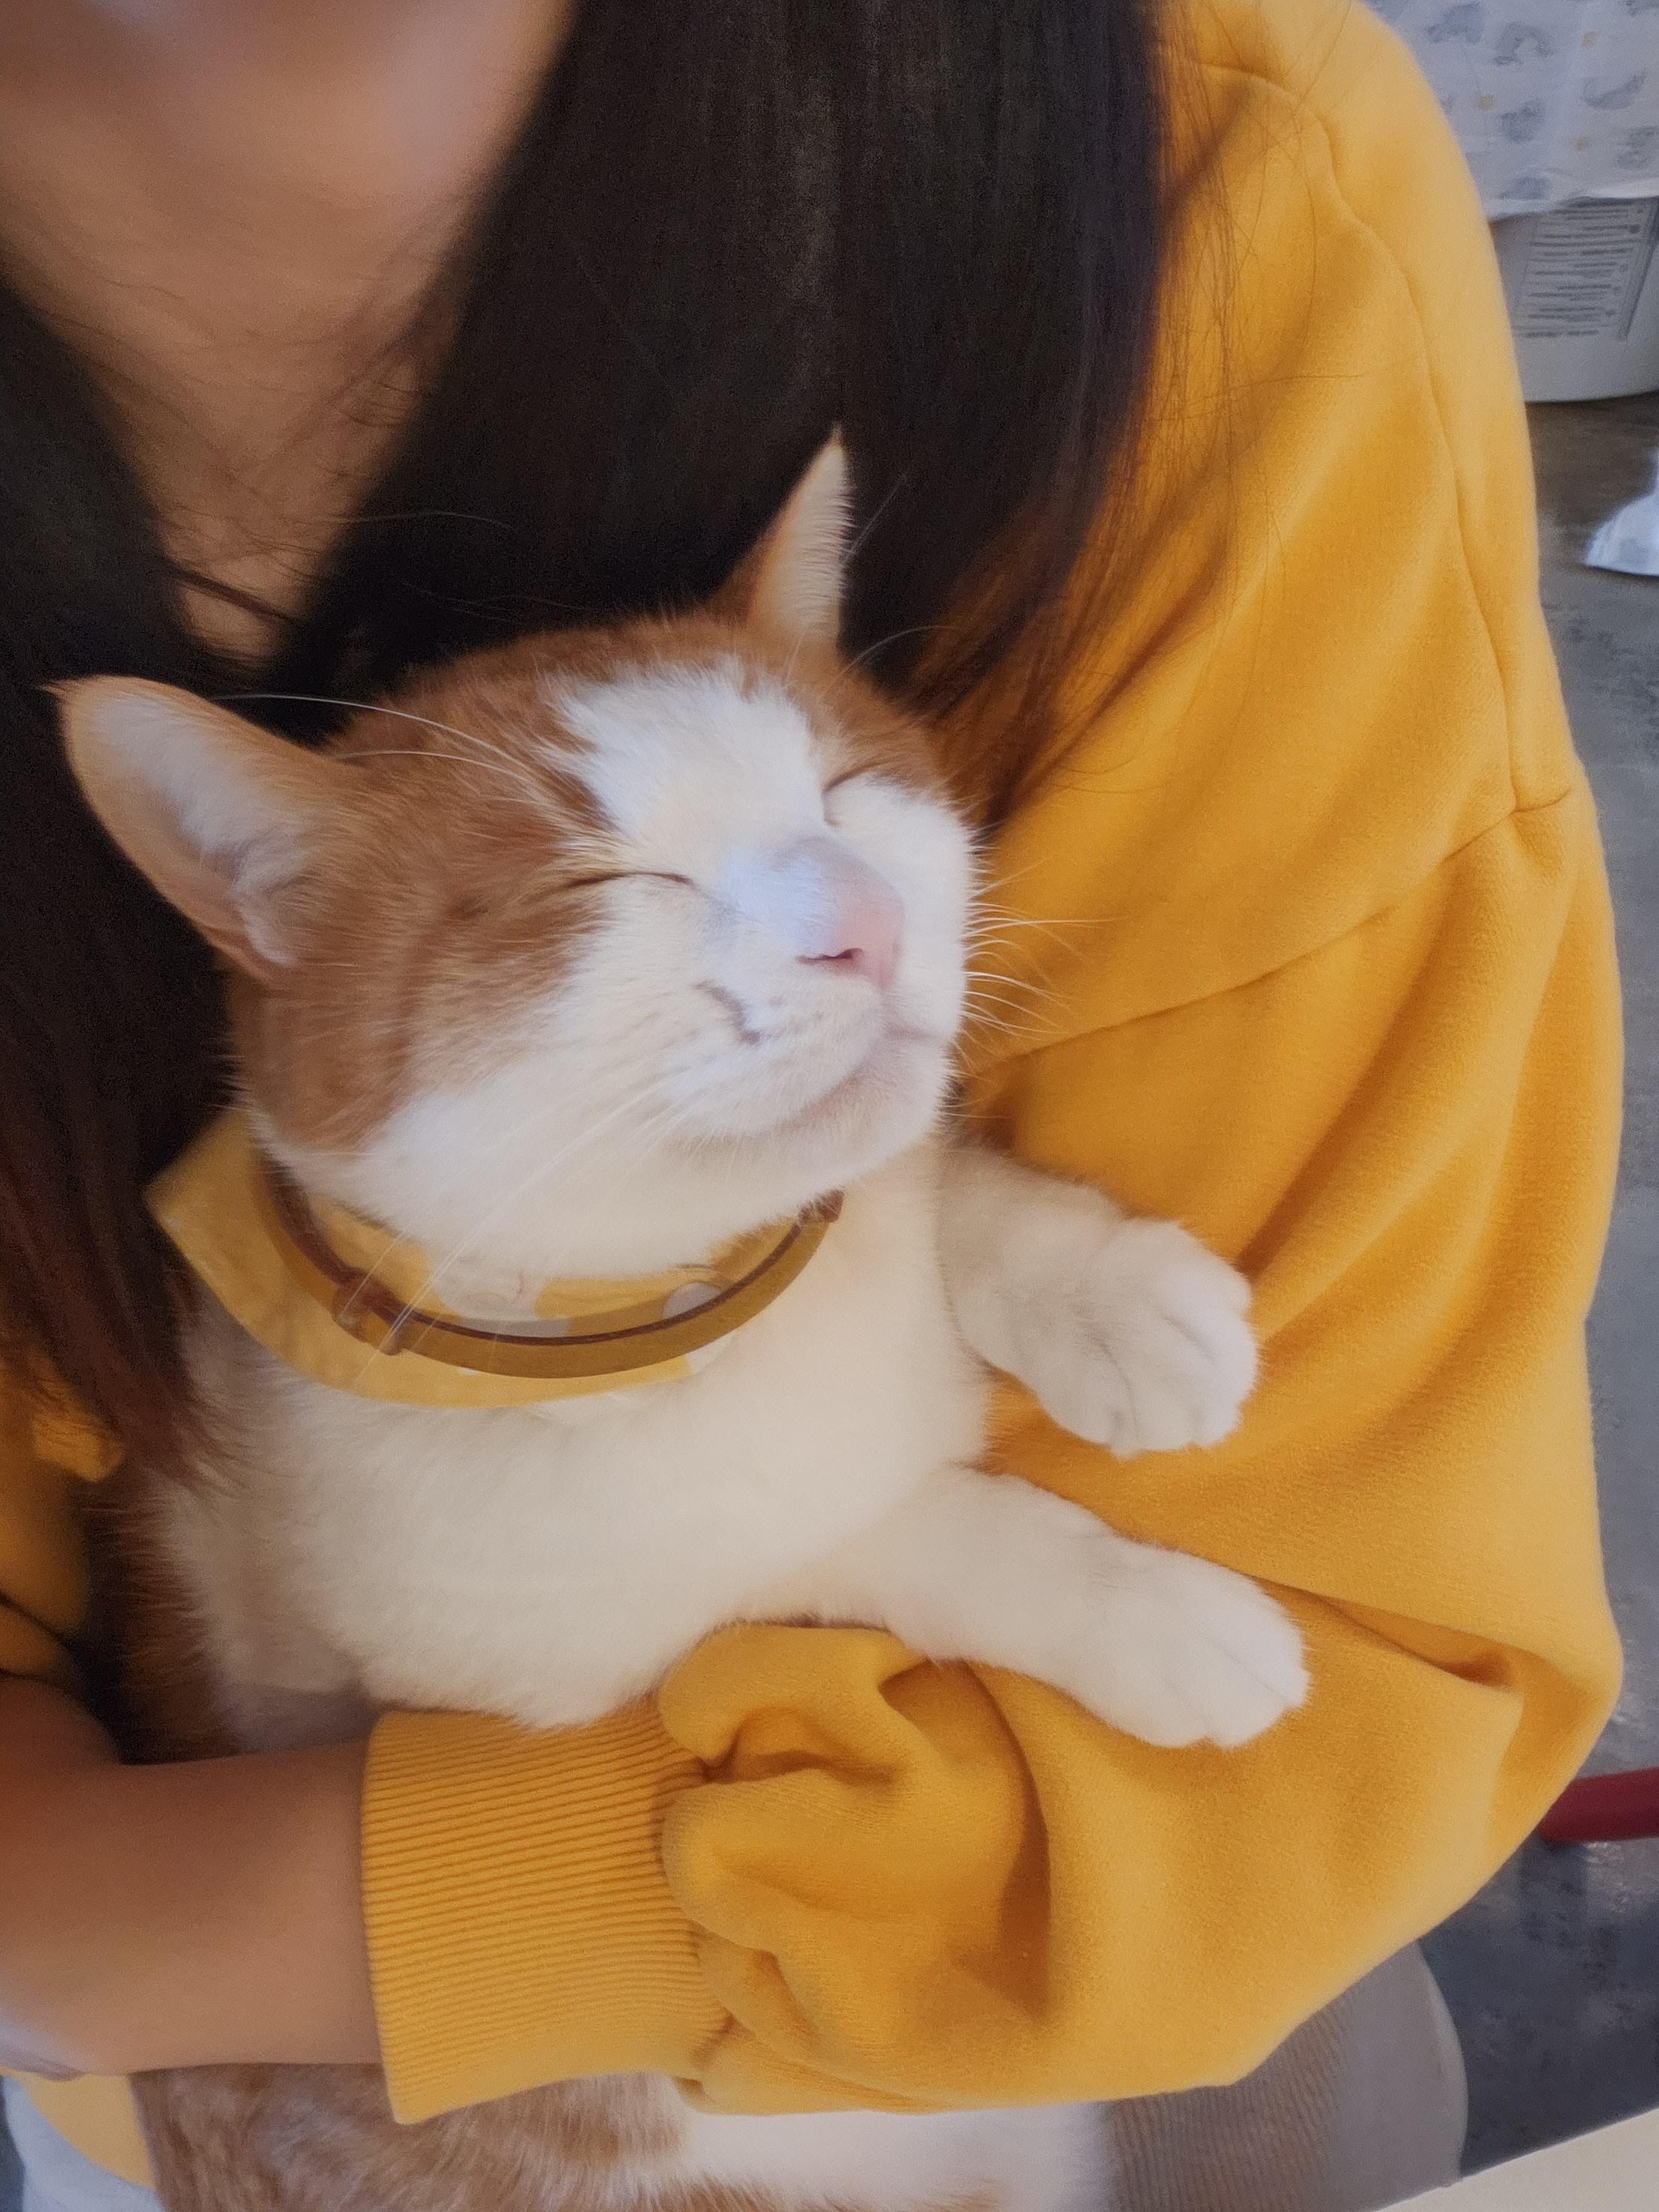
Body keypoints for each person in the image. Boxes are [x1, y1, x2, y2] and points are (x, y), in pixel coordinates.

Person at [0, 0, 1621, 2206]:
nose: (847, 927)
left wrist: (118, 1921)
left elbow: (1320, 1724)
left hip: (1078, 2026)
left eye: (860, 803)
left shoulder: (1206, 192)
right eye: (608, 893)